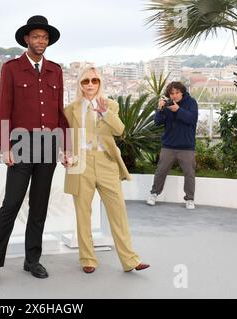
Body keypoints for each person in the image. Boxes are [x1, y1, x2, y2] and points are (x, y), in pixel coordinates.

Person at [0, 15, 69, 288]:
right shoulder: (12, 68)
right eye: (36, 37)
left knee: (39, 207)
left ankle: (32, 260)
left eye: (44, 37)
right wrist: (5, 146)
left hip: (48, 146)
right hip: (21, 145)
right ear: (27, 39)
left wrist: (66, 146)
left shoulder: (56, 70)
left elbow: (58, 112)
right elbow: (4, 110)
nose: (41, 41)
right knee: (11, 205)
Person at [63, 66, 149, 274]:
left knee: (118, 211)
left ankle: (130, 260)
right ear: (80, 84)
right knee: (83, 213)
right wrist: (64, 155)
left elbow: (120, 130)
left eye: (94, 80)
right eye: (86, 81)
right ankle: (88, 259)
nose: (90, 84)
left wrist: (104, 112)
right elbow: (65, 137)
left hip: (106, 162)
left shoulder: (109, 105)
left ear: (100, 83)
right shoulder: (71, 109)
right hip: (80, 163)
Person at [146, 82, 199, 210]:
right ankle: (154, 194)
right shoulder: (167, 104)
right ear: (169, 94)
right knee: (160, 171)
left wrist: (178, 110)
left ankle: (190, 199)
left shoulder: (191, 103)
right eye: (172, 93)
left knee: (189, 174)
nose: (174, 96)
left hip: (186, 147)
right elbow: (157, 122)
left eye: (177, 93)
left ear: (182, 92)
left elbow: (192, 119)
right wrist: (160, 109)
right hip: (168, 146)